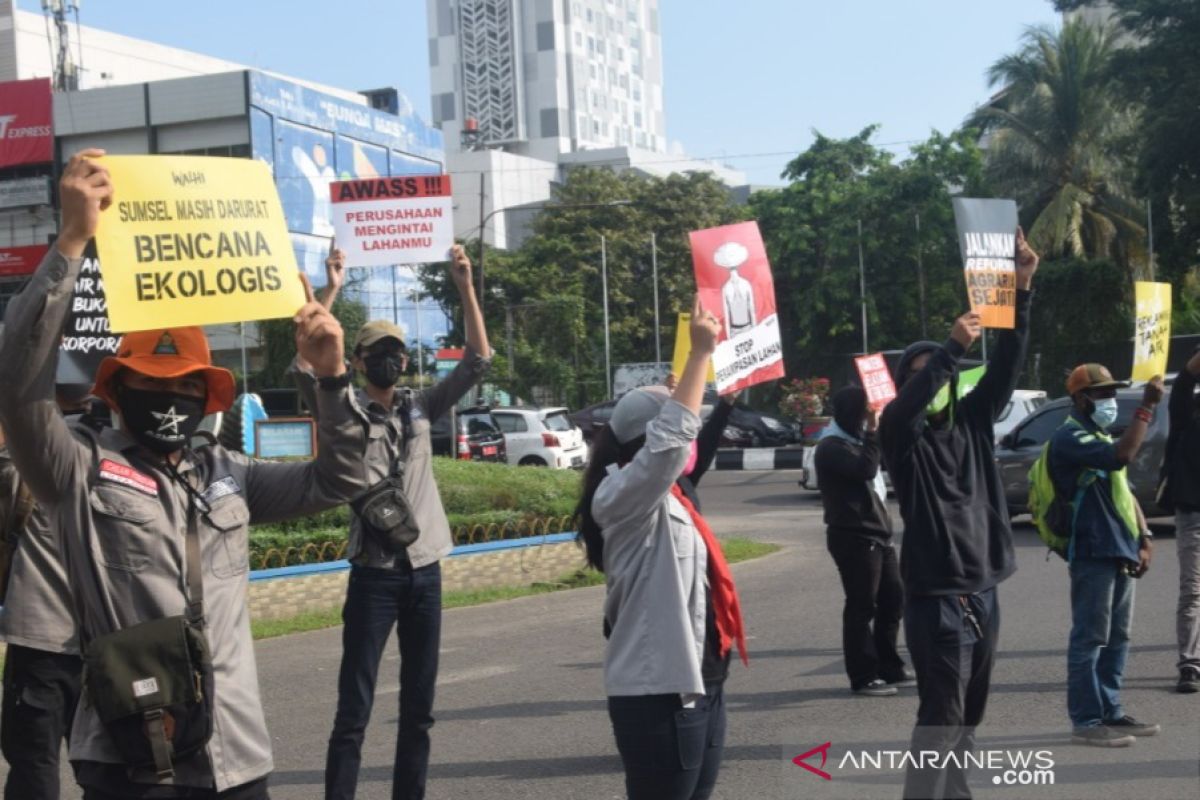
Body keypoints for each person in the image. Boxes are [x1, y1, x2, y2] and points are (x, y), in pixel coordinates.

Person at [0, 148, 371, 799]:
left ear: (207, 396)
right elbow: (18, 379)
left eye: (183, 386)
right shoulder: (78, 471)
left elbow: (342, 477)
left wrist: (332, 378)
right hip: (129, 755)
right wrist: (71, 241)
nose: (167, 398)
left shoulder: (231, 473)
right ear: (116, 390)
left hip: (235, 753)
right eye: (149, 383)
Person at [296, 243, 491, 800]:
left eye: (397, 352)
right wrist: (329, 290)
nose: (390, 359)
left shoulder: (422, 407)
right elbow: (307, 359)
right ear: (357, 361)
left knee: (419, 709)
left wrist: (464, 286)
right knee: (354, 709)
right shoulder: (341, 406)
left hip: (425, 570)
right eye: (377, 351)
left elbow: (479, 361)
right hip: (375, 576)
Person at [879, 228, 1038, 799]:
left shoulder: (972, 422)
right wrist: (947, 351)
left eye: (942, 374)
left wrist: (1021, 289)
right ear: (912, 387)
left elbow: (1008, 365)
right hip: (937, 599)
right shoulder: (901, 438)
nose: (939, 381)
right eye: (924, 376)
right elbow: (905, 410)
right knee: (940, 718)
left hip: (984, 589)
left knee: (967, 719)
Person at [576, 299, 747, 800]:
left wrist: (719, 398)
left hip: (703, 683)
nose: (689, 430)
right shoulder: (622, 496)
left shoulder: (674, 493)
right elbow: (673, 440)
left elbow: (687, 446)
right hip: (658, 694)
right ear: (642, 443)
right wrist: (698, 356)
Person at [1049, 364, 1163, 745]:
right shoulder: (1069, 438)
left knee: (1118, 637)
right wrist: (1146, 408)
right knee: (1089, 639)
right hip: (1092, 550)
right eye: (1101, 395)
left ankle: (1111, 711)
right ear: (1080, 399)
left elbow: (1124, 491)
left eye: (1112, 394)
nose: (1109, 401)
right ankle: (1085, 721)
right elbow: (1122, 457)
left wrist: (1144, 536)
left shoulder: (1098, 434)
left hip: (1120, 547)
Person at [0, 390, 103, 800]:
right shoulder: (130, 472)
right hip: (112, 645)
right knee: (109, 767)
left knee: (33, 764)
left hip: (40, 643)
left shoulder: (21, 474)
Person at [815, 386, 907, 697]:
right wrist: (872, 430)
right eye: (864, 411)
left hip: (878, 534)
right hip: (853, 536)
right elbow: (865, 469)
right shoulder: (831, 446)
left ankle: (889, 665)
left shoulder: (854, 441)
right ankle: (863, 675)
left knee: (893, 599)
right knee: (861, 606)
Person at [1166, 346, 1200, 693]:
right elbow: (1183, 383)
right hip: (1194, 516)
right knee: (1193, 592)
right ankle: (1190, 663)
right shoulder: (1186, 417)